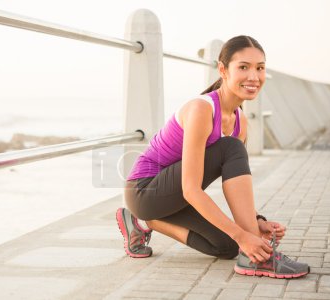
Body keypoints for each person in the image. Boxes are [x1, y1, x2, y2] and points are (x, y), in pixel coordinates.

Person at [116, 35, 310, 278]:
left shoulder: (239, 122)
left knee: (228, 246)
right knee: (232, 152)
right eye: (243, 67)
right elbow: (191, 189)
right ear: (222, 70)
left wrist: (255, 223)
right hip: (144, 192)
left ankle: (145, 222)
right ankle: (259, 260)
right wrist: (245, 235)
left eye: (260, 68)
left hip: (170, 198)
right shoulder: (201, 109)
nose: (253, 76)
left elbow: (235, 185)